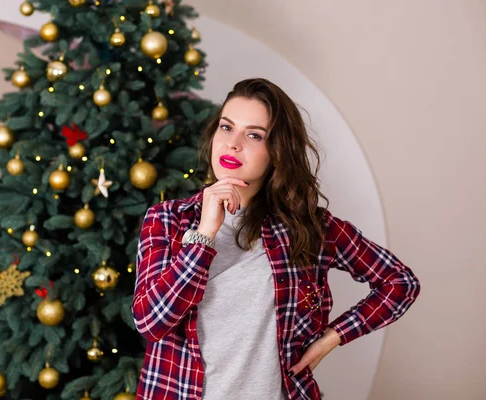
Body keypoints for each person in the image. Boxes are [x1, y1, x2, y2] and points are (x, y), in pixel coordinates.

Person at [131, 78, 421, 400]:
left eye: (254, 135)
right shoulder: (167, 219)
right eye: (227, 128)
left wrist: (331, 338)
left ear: (277, 151)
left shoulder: (309, 228)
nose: (233, 144)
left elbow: (400, 283)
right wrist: (205, 234)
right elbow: (150, 322)